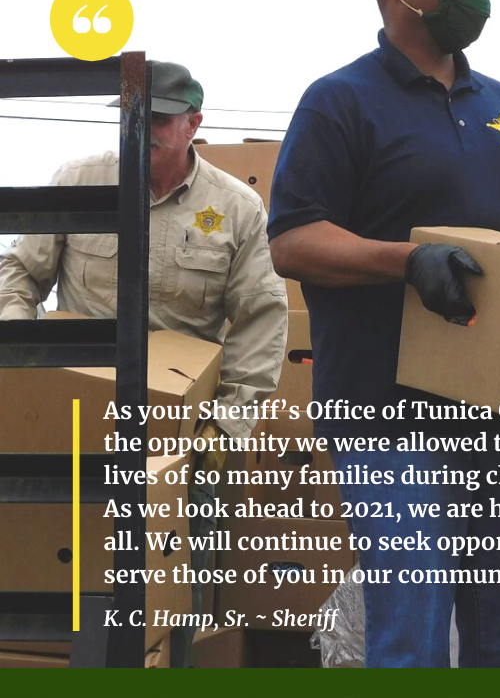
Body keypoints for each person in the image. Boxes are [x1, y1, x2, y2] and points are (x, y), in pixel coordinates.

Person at [267, 0, 500, 668]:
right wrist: (406, 260)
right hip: (388, 414)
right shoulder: (340, 102)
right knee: (411, 634)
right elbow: (292, 240)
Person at [0, 61, 289, 666]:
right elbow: (20, 271)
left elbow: (261, 319)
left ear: (193, 124)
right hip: (76, 425)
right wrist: (21, 366)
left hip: (180, 439)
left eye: (158, 119)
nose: (145, 129)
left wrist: (225, 428)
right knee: (64, 583)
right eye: (134, 117)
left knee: (169, 605)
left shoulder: (235, 209)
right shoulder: (79, 179)